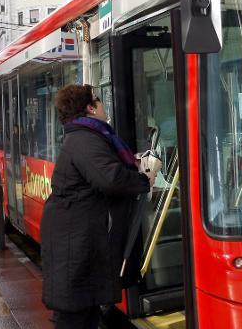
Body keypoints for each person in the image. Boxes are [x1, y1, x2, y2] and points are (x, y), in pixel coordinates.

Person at [40, 84, 157, 329]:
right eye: (98, 100)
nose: (103, 105)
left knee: (83, 308)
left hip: (77, 237)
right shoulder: (85, 139)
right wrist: (143, 179)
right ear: (90, 108)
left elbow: (102, 169)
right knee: (76, 313)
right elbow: (109, 178)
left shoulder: (84, 136)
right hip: (76, 241)